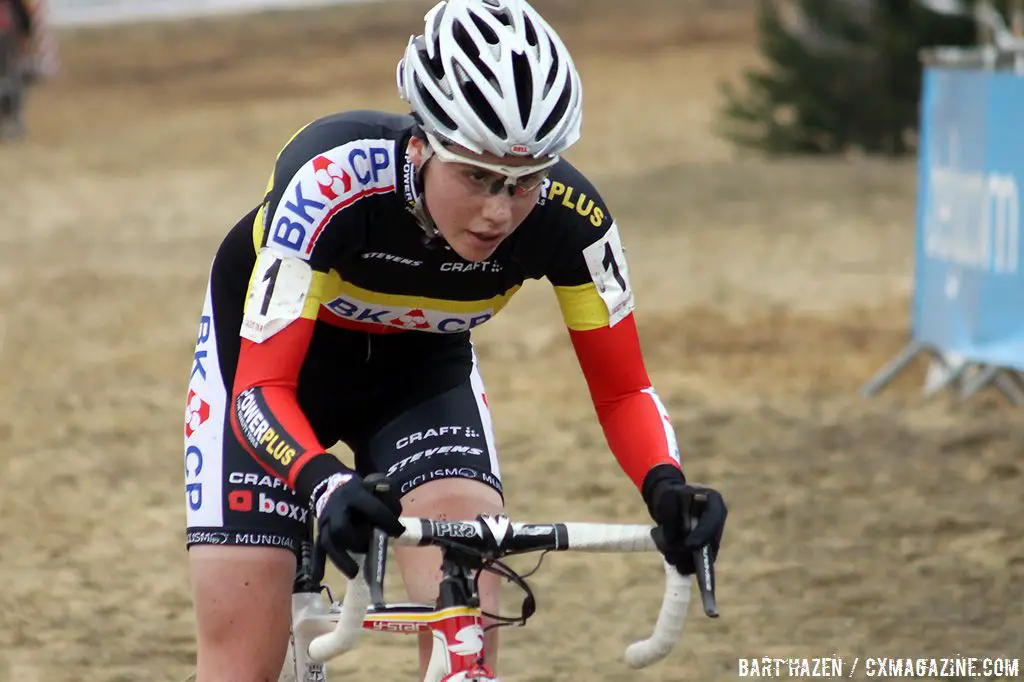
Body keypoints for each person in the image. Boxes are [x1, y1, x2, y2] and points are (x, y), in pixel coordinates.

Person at [182, 1, 728, 680]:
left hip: (420, 380)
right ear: (421, 146)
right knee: (241, 659)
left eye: (526, 182)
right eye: (475, 176)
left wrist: (667, 486)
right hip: (278, 378)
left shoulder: (571, 221)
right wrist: (323, 484)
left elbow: (623, 390)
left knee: (466, 610)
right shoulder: (329, 179)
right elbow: (261, 391)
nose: (500, 210)